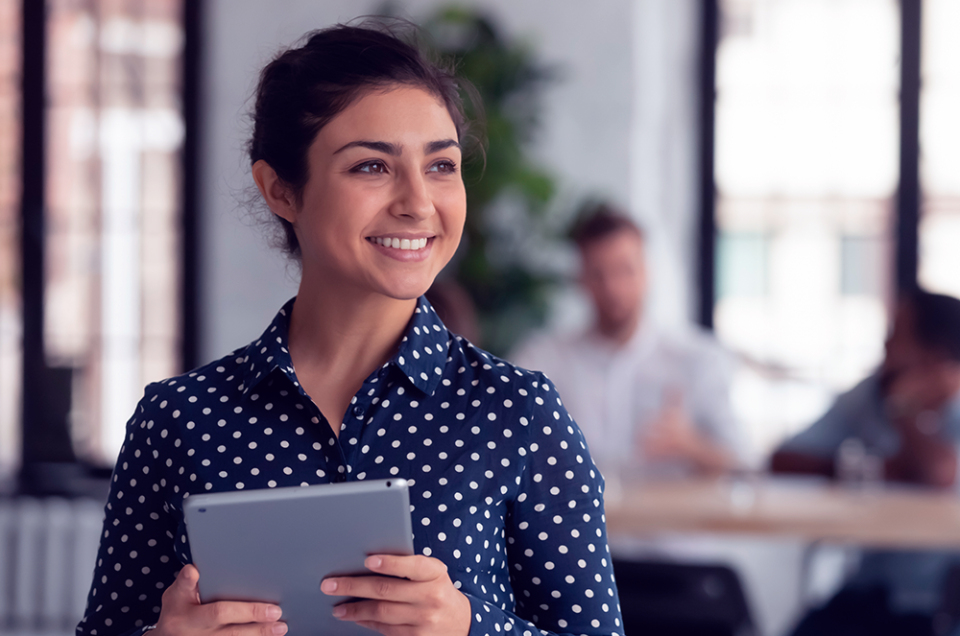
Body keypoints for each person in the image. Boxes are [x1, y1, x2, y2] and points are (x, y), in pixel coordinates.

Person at [77, 22, 623, 636]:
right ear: (280, 189)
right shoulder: (177, 420)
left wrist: (469, 627)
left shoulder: (519, 415)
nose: (418, 202)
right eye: (371, 166)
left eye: (441, 164)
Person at [771, 289, 960, 636]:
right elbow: (781, 459)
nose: (885, 347)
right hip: (872, 591)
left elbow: (940, 473)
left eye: (895, 336)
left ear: (934, 354)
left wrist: (904, 411)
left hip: (943, 602)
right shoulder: (871, 394)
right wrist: (871, 469)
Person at [512, 206, 743, 480]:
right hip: (574, 521)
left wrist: (691, 446)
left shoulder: (699, 359)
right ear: (581, 279)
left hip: (670, 521)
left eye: (625, 270)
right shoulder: (542, 361)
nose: (613, 288)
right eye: (599, 274)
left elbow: (745, 464)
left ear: (647, 273)